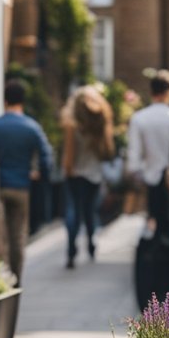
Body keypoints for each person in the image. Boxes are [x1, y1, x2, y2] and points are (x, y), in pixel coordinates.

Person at [0, 79, 53, 284]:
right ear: (23, 101)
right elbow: (47, 158)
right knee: (18, 236)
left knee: (0, 236)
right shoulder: (32, 127)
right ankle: (16, 278)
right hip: (21, 187)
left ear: (5, 100)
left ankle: (2, 278)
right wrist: (38, 174)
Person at [126, 70, 169, 240]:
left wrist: (137, 177)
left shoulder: (139, 118)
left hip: (150, 180)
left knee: (153, 225)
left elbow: (134, 156)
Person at [61, 86, 115, 268]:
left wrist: (67, 171)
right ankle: (91, 243)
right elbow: (108, 151)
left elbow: (69, 155)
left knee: (73, 212)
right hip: (94, 175)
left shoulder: (72, 126)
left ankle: (71, 250)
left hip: (75, 175)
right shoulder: (101, 123)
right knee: (89, 211)